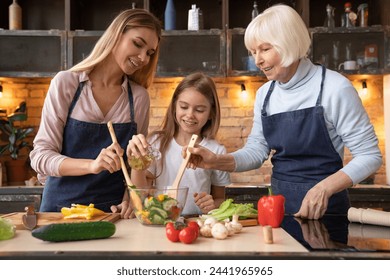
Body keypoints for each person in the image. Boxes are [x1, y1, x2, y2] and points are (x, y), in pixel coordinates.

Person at [186, 5, 382, 220]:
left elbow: (369, 156)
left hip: (325, 211)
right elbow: (256, 151)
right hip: (278, 210)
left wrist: (323, 188)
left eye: (265, 49)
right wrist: (216, 161)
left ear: (288, 42)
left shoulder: (335, 88)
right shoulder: (265, 94)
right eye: (253, 52)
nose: (257, 60)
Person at [29, 9, 162, 218]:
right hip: (60, 211)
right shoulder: (66, 84)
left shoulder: (139, 98)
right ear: (116, 35)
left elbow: (136, 163)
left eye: (150, 53)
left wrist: (130, 196)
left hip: (112, 215)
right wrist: (92, 165)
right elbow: (40, 156)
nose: (143, 58)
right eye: (138, 44)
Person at [127, 72, 231, 215]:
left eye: (199, 110)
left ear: (211, 113)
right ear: (174, 106)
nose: (190, 115)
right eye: (183, 107)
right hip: (161, 222)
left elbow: (220, 198)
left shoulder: (216, 151)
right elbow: (140, 196)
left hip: (197, 224)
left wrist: (212, 204)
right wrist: (137, 162)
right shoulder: (156, 143)